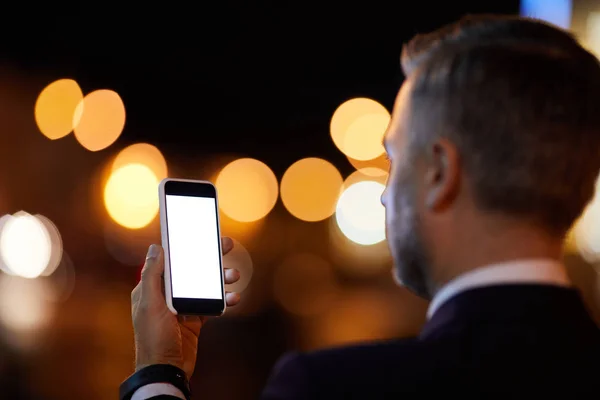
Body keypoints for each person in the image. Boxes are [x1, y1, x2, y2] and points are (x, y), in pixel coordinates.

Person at [121, 14, 600, 399]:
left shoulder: (331, 386)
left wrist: (158, 373)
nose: (385, 193)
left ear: (439, 171)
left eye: (394, 158)